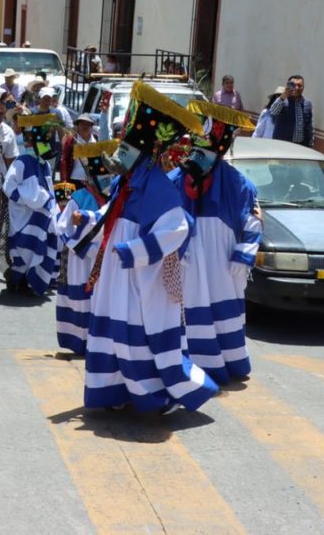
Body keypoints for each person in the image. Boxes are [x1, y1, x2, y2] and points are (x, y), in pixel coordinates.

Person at [72, 82, 218, 412]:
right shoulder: (127, 181)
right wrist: (89, 219)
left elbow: (177, 228)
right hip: (115, 273)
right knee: (111, 331)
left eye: (125, 144)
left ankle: (149, 395)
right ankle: (113, 392)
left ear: (143, 151)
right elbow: (112, 214)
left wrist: (135, 251)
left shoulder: (156, 186)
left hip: (138, 277)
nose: (118, 150)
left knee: (134, 336)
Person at [171, 101, 260, 385]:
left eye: (205, 152)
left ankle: (228, 362)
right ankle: (186, 363)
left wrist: (244, 255)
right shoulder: (174, 179)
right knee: (186, 310)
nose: (197, 157)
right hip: (185, 261)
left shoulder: (238, 183)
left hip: (223, 262)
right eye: (195, 151)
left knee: (223, 310)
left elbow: (254, 221)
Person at [55, 140, 117, 355]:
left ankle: (100, 342)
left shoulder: (115, 198)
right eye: (103, 177)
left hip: (104, 259)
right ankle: (80, 342)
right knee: (81, 300)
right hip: (80, 259)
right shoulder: (79, 198)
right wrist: (75, 227)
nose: (107, 181)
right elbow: (62, 227)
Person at [3, 113, 61, 296]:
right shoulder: (22, 161)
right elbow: (8, 186)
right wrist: (26, 202)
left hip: (40, 218)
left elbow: (49, 189)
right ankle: (15, 281)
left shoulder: (44, 164)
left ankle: (30, 281)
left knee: (38, 249)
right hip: (23, 217)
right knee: (23, 250)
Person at [269, 74, 313, 147]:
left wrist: (310, 143)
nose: (296, 88)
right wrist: (283, 97)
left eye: (299, 85)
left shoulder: (307, 103)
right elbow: (273, 112)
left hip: (301, 146)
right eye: (293, 85)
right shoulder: (283, 101)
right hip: (282, 145)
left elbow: (309, 126)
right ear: (288, 85)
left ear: (303, 87)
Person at [59, 113, 97, 186]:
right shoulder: (71, 140)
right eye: (82, 123)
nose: (85, 126)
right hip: (74, 180)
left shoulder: (96, 140)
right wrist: (64, 180)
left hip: (93, 182)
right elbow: (64, 160)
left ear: (91, 126)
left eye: (88, 124)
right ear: (77, 126)